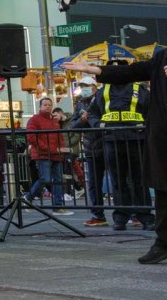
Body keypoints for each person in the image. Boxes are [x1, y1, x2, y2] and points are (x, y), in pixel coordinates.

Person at [66, 15, 167, 269]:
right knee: (163, 192)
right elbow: (131, 72)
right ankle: (165, 244)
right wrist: (94, 71)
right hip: (162, 138)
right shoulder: (164, 56)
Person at [88, 76, 154, 231]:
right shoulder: (104, 91)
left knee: (138, 180)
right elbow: (92, 114)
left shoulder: (139, 90)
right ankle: (121, 217)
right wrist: (99, 125)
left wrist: (145, 125)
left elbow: (152, 111)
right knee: (119, 181)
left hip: (136, 140)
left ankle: (143, 216)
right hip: (113, 140)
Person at [23, 97, 72, 214]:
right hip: (43, 154)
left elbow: (60, 136)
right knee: (45, 178)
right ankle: (28, 197)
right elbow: (31, 137)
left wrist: (61, 149)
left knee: (58, 179)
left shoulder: (54, 120)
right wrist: (47, 147)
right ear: (40, 106)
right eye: (45, 104)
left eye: (49, 105)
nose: (47, 106)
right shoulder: (34, 119)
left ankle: (58, 205)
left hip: (55, 153)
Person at [71, 76, 108, 227]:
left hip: (107, 143)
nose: (84, 88)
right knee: (94, 183)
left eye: (86, 85)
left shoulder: (103, 98)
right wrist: (82, 121)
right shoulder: (80, 103)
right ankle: (98, 215)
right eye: (82, 86)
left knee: (121, 180)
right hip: (91, 147)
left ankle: (130, 213)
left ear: (94, 86)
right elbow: (73, 126)